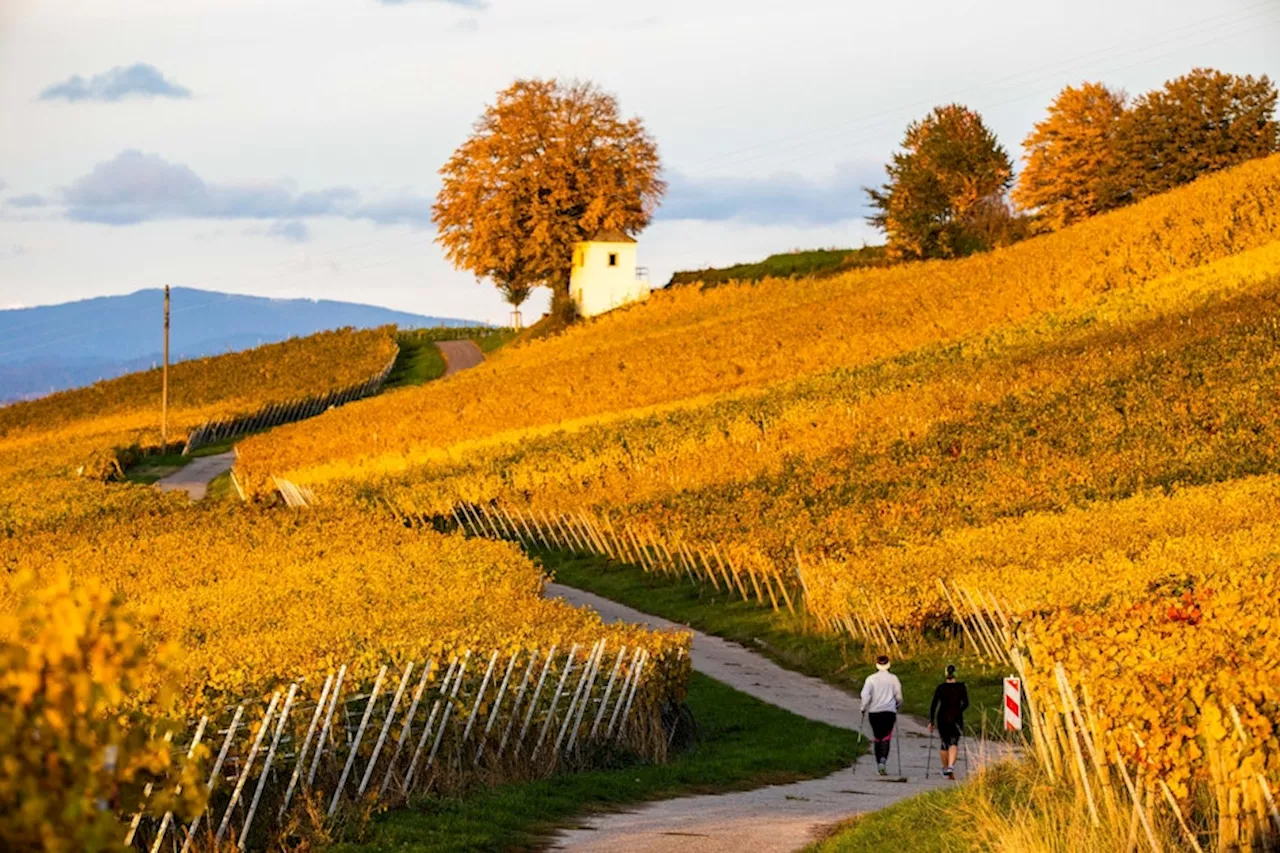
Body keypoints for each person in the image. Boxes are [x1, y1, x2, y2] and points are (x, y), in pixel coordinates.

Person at [860, 655, 903, 776]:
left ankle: (878, 761)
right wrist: (898, 705)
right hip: (889, 712)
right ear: (889, 664)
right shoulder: (894, 679)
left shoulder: (871, 679)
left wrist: (863, 708)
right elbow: (898, 696)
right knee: (886, 737)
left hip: (874, 712)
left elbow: (865, 695)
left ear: (877, 665)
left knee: (877, 737)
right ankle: (883, 761)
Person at [929, 664, 970, 779]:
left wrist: (931, 721)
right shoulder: (961, 687)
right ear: (956, 674)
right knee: (954, 742)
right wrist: (959, 710)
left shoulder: (941, 687)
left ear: (946, 674)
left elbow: (933, 705)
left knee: (944, 743)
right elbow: (966, 703)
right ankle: (951, 766)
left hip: (942, 717)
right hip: (956, 717)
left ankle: (945, 768)